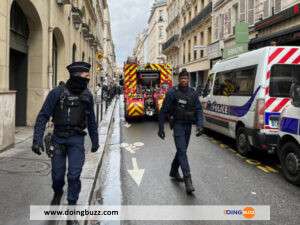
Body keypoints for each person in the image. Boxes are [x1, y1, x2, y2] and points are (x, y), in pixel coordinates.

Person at [32, 62, 99, 225]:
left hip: (76, 139)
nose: (87, 79)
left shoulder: (87, 95)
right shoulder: (57, 93)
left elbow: (91, 120)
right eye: (85, 76)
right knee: (57, 176)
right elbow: (43, 116)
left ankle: (71, 210)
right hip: (58, 139)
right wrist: (37, 139)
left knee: (74, 175)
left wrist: (95, 140)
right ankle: (57, 192)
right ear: (76, 75)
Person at [158, 69, 204, 194]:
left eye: (186, 78)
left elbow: (199, 110)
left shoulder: (193, 93)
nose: (184, 80)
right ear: (179, 80)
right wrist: (161, 128)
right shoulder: (172, 92)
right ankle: (188, 179)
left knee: (181, 150)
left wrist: (200, 125)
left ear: (189, 80)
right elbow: (163, 110)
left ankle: (173, 171)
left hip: (188, 126)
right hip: (177, 124)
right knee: (182, 151)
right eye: (182, 78)